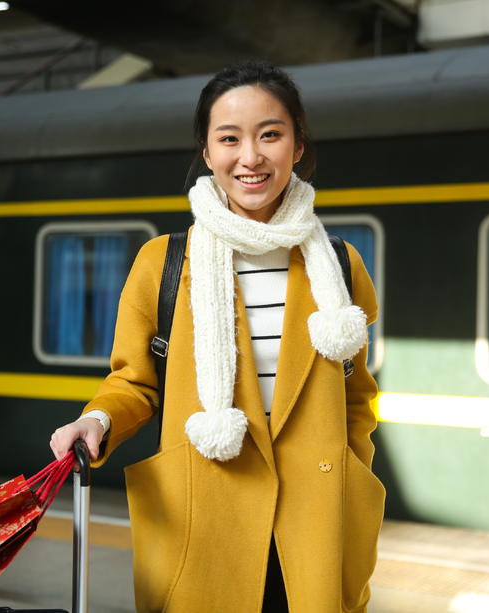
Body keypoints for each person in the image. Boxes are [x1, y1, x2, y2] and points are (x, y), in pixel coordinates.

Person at [50, 60, 385, 613]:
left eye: (270, 135)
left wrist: (354, 475)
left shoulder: (340, 266)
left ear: (298, 146)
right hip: (206, 516)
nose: (250, 157)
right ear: (207, 153)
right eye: (229, 138)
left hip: (318, 521)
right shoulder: (163, 264)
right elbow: (135, 382)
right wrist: (98, 419)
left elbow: (355, 395)